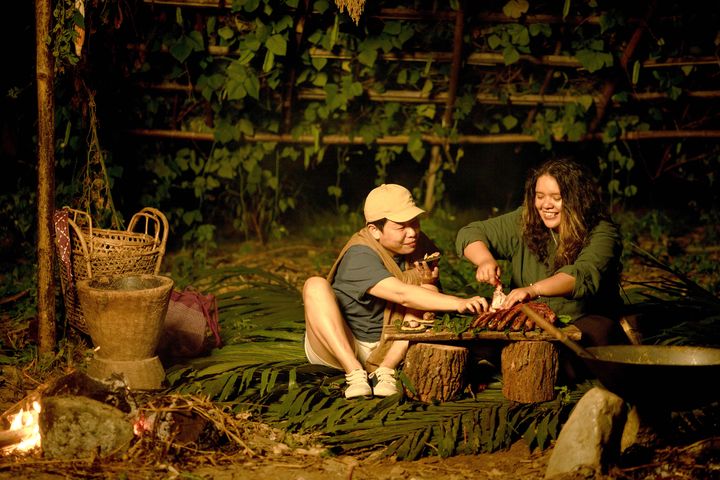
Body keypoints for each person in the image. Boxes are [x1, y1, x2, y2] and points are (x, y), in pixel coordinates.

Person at [304, 184, 489, 399]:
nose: (412, 232)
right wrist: (459, 302)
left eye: (415, 223)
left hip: (393, 343)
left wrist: (430, 283)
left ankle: (386, 370)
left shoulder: (419, 244)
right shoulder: (360, 254)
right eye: (401, 227)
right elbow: (402, 294)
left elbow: (428, 303)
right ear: (375, 230)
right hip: (343, 343)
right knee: (315, 285)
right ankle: (354, 372)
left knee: (427, 291)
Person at [456, 158, 625, 351]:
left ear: (577, 200)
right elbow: (470, 233)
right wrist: (484, 260)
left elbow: (581, 275)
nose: (546, 205)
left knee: (591, 339)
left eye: (556, 197)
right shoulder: (526, 220)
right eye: (540, 196)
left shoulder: (602, 232)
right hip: (526, 323)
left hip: (582, 321)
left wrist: (534, 289)